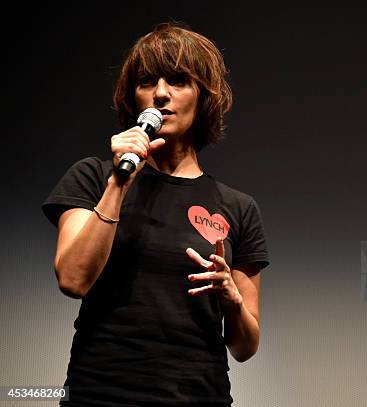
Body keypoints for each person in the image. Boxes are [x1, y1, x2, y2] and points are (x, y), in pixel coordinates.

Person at [42, 22, 269, 406]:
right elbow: (73, 279)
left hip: (199, 395)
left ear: (204, 98)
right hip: (99, 394)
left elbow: (245, 346)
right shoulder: (94, 177)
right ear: (133, 98)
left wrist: (231, 297)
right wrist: (118, 183)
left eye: (179, 81)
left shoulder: (238, 207)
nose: (160, 94)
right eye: (147, 81)